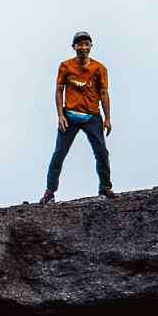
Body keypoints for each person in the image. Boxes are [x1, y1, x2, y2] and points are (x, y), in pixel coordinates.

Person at [43, 30, 116, 203]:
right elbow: (59, 90)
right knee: (59, 153)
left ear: (91, 46)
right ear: (74, 47)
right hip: (70, 116)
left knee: (101, 152)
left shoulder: (99, 68)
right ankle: (49, 191)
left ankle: (105, 187)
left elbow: (104, 93)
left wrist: (107, 118)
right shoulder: (65, 66)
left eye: (86, 44)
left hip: (92, 116)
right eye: (79, 44)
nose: (83, 47)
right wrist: (60, 115)